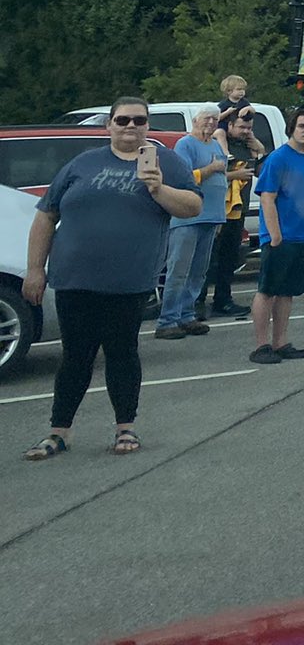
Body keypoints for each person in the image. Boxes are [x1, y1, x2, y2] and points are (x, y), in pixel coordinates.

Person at [22, 96, 200, 461]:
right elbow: (45, 216)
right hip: (74, 280)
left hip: (127, 282)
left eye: (139, 121)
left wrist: (158, 189)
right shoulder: (83, 164)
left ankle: (125, 428)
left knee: (122, 355)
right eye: (123, 121)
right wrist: (35, 269)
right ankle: (59, 432)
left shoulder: (167, 163)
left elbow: (192, 207)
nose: (131, 127)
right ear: (109, 126)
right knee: (75, 358)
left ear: (148, 125)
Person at [249, 108, 304, 364]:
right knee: (267, 290)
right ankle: (261, 346)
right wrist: (274, 235)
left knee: (288, 292)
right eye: (302, 126)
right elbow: (267, 198)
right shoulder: (278, 159)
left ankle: (280, 342)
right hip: (281, 237)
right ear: (292, 128)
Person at [158, 107, 231, 339]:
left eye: (215, 119)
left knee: (198, 272)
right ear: (195, 120)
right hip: (188, 217)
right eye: (206, 118)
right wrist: (211, 168)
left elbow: (222, 175)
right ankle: (167, 320)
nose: (210, 122)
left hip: (212, 216)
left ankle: (187, 315)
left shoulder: (215, 145)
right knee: (179, 270)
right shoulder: (185, 145)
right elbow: (184, 176)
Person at [202, 104, 267, 321]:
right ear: (229, 125)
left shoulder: (247, 146)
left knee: (229, 258)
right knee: (208, 259)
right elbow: (209, 176)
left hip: (238, 211)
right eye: (241, 127)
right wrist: (235, 174)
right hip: (216, 210)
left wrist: (260, 150)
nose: (246, 131)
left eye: (249, 128)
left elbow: (261, 173)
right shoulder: (217, 146)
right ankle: (197, 303)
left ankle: (223, 300)